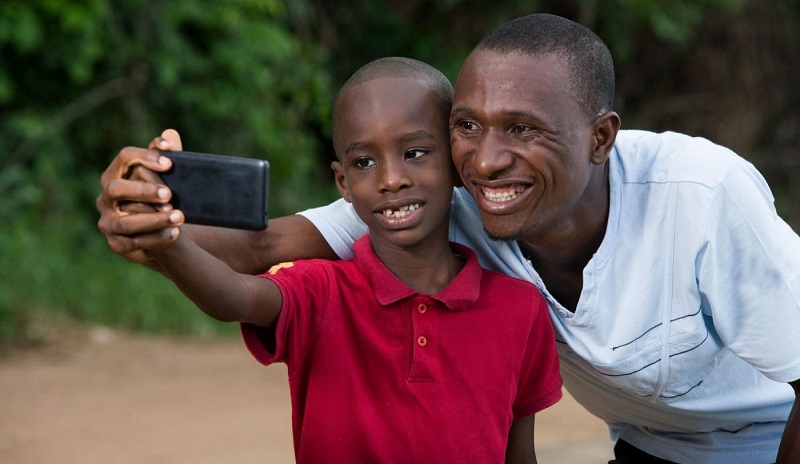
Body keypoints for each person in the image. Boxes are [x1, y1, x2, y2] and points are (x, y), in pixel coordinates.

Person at [97, 14, 800, 464]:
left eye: (522, 129)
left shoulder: (701, 197)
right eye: (467, 126)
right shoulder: (449, 201)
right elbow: (252, 254)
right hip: (648, 451)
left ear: (600, 137)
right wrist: (147, 216)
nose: (487, 159)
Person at [133, 56, 563, 463]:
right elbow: (233, 297)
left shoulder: (520, 309)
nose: (391, 180)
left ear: (454, 161)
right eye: (364, 162)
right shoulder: (319, 291)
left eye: (415, 153)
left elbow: (520, 456)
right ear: (343, 181)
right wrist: (167, 239)